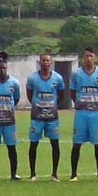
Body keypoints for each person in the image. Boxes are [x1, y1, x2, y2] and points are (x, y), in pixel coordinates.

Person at [69, 48, 98, 180]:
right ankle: (74, 174)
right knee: (77, 143)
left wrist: (97, 104)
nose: (89, 58)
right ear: (83, 58)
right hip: (81, 113)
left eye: (91, 56)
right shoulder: (76, 74)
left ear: (95, 58)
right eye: (86, 56)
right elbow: (73, 92)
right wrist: (79, 104)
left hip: (95, 114)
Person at [23, 53, 65, 181]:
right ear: (39, 62)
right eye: (43, 60)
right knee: (33, 144)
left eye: (48, 60)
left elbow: (61, 95)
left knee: (55, 144)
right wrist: (38, 105)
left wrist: (52, 106)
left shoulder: (57, 78)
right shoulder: (32, 78)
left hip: (52, 118)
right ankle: (32, 174)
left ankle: (54, 174)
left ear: (51, 62)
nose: (45, 62)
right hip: (36, 117)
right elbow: (30, 95)